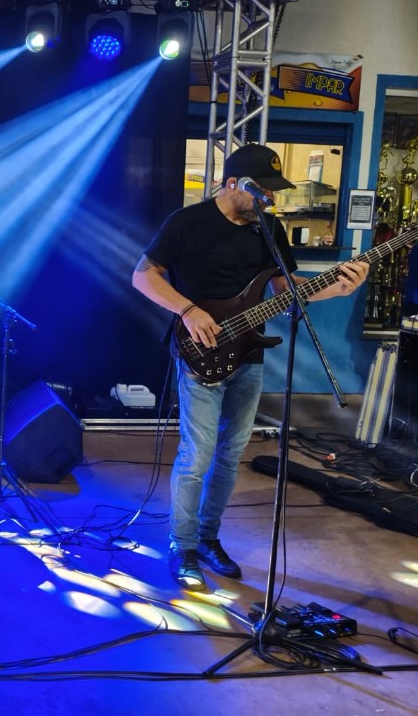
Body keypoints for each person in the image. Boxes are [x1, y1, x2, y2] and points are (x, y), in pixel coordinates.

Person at [131, 143, 369, 591]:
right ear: (231, 184)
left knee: (230, 454)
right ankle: (182, 545)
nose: (270, 198)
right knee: (197, 455)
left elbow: (285, 289)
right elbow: (142, 275)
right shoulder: (187, 222)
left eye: (274, 190)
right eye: (262, 190)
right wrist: (188, 310)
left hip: (249, 355)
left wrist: (336, 289)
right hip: (200, 351)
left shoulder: (268, 229)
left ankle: (208, 539)